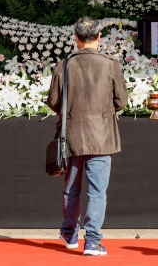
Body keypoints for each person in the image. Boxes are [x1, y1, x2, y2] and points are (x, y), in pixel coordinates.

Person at [47, 16, 128, 256]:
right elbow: (121, 101)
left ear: (76, 38)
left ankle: (69, 233)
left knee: (71, 189)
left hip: (71, 134)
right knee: (97, 190)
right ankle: (92, 241)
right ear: (99, 37)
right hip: (101, 135)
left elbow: (53, 102)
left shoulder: (64, 65)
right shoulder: (110, 64)